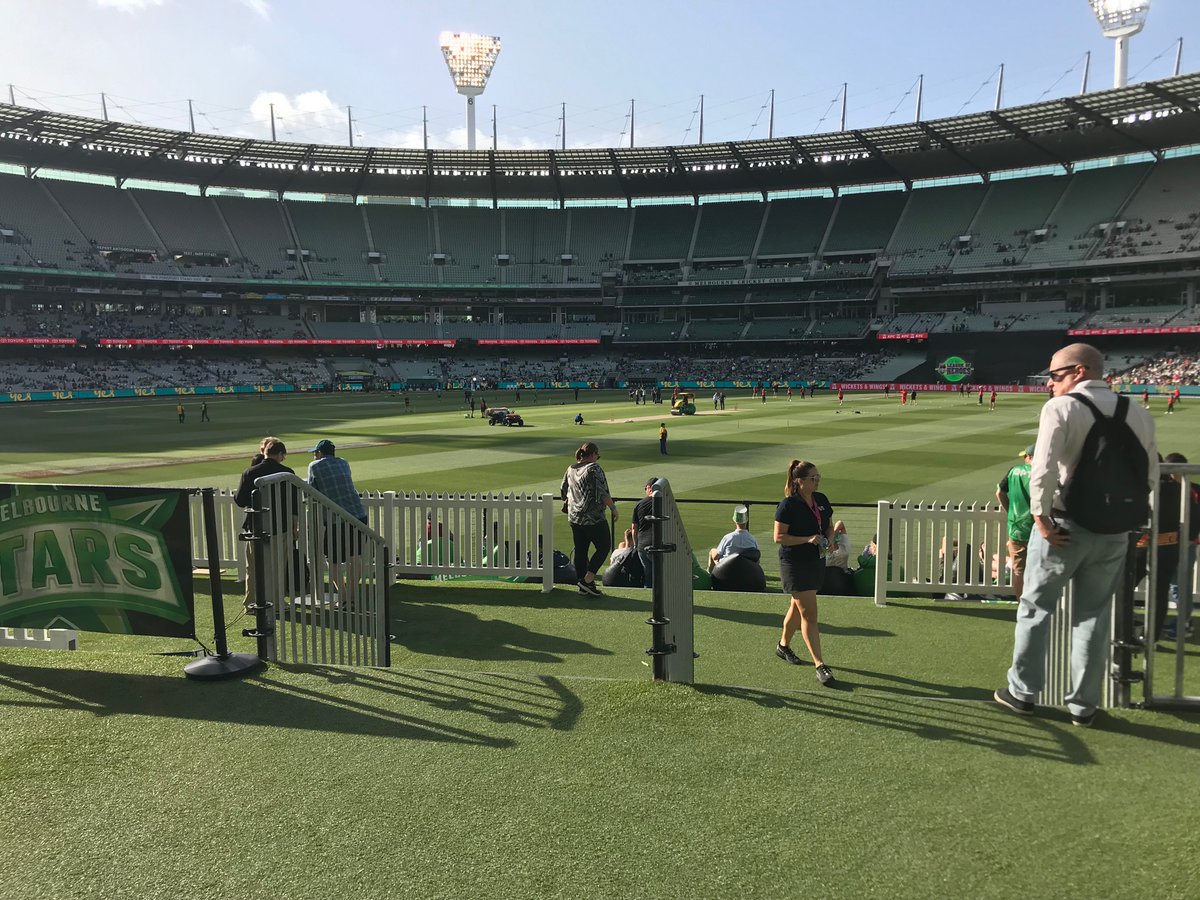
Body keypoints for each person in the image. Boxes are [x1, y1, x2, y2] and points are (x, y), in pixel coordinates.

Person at [994, 343, 1156, 728]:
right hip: (1115, 531)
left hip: (1064, 529)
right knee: (1093, 618)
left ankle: (1023, 692)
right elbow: (1147, 477)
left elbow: (1044, 469)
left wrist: (1041, 519)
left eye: (1054, 375)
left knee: (1035, 609)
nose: (1049, 384)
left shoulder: (1061, 408)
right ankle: (1083, 706)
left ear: (1079, 371)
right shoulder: (1139, 413)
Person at [774, 459, 836, 685]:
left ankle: (783, 646)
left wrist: (829, 539)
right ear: (799, 482)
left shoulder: (821, 499)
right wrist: (807, 539)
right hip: (794, 565)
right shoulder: (788, 505)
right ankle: (820, 665)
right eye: (813, 478)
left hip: (815, 561)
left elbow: (829, 525)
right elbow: (779, 537)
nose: (817, 480)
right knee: (809, 614)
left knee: (797, 608)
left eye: (818, 476)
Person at [234, 438, 295, 610]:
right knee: (277, 566)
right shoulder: (287, 473)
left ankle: (251, 601)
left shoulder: (249, 472)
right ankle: (276, 601)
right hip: (280, 525)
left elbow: (240, 500)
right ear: (281, 455)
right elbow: (294, 503)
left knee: (253, 567)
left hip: (256, 525)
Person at [307, 438, 370, 605]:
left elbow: (312, 491)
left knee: (333, 559)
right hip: (358, 514)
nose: (314, 456)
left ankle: (343, 595)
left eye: (315, 453)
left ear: (319, 453)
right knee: (355, 556)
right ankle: (351, 594)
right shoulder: (343, 462)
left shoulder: (315, 466)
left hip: (336, 519)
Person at [560, 441, 616, 597]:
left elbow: (563, 490)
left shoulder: (571, 468)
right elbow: (603, 493)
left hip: (574, 517)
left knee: (581, 549)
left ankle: (584, 584)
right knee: (604, 546)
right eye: (597, 455)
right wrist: (613, 509)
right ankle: (588, 579)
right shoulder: (594, 468)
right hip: (593, 517)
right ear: (593, 454)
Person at [996, 444, 1035, 599]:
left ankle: (1022, 606)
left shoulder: (1013, 471)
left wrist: (1010, 512)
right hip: (1039, 527)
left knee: (1019, 571)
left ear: (1030, 457)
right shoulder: (1044, 471)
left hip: (1017, 527)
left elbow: (999, 493)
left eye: (1025, 456)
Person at [708, 505, 759, 572]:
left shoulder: (728, 537)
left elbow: (716, 557)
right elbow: (757, 558)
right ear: (746, 521)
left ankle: (709, 574)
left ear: (734, 521)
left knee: (712, 551)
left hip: (726, 570)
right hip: (745, 570)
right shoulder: (752, 539)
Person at [631, 477, 659, 589]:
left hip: (642, 544)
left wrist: (635, 544)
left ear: (649, 488)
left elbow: (634, 527)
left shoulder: (639, 504)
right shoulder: (662, 503)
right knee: (659, 574)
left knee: (648, 575)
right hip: (657, 543)